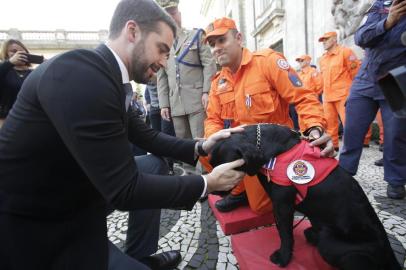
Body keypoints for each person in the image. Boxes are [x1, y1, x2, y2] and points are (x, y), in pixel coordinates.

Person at [0, 1, 246, 270]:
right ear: (133, 32)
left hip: (79, 188)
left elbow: (148, 138)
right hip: (42, 220)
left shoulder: (107, 77)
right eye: (162, 50)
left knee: (153, 164)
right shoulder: (82, 75)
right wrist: (207, 182)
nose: (164, 63)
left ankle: (142, 256)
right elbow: (124, 189)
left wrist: (202, 146)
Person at [201, 17, 334, 214]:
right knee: (206, 150)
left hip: (274, 149)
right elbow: (213, 119)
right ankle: (239, 189)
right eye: (212, 44)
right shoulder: (217, 82)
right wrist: (219, 142)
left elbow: (304, 98)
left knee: (262, 207)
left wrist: (314, 128)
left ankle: (255, 188)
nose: (216, 49)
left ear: (238, 38)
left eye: (222, 40)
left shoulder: (267, 62)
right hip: (242, 148)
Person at [339, 0, 406, 199]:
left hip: (396, 79)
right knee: (352, 129)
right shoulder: (381, 5)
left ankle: (396, 180)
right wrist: (388, 22)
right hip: (366, 78)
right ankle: (344, 173)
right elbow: (361, 37)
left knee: (396, 134)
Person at [156, 0, 217, 143]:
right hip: (175, 104)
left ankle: (203, 167)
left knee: (202, 142)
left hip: (198, 100)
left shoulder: (195, 35)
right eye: (166, 14)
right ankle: (187, 167)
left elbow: (209, 64)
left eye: (173, 12)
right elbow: (162, 76)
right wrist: (164, 104)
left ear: (179, 14)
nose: (171, 17)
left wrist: (206, 92)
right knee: (183, 145)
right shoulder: (161, 44)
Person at [318, 31, 360, 151]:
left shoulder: (346, 52)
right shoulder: (322, 59)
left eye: (326, 39)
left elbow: (355, 74)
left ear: (334, 39)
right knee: (330, 124)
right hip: (328, 97)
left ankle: (351, 148)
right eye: (322, 40)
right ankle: (334, 146)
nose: (324, 42)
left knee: (349, 123)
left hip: (344, 95)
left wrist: (353, 92)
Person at [0, 39, 35, 127]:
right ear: (6, 54)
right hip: (6, 119)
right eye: (14, 51)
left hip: (31, 119)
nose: (19, 54)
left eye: (21, 51)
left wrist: (47, 67)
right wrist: (10, 63)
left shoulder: (34, 73)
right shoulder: (4, 71)